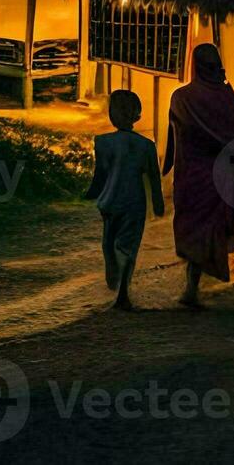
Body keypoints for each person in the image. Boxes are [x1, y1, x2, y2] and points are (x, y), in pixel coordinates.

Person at [164, 42, 234, 309]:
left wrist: (166, 166)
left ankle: (191, 288)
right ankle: (193, 287)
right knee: (211, 229)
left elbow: (174, 138)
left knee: (192, 227)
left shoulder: (181, 98)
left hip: (192, 175)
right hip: (221, 176)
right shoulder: (229, 99)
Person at [84, 89, 164, 311]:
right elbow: (154, 178)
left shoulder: (102, 142)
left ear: (111, 115)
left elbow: (100, 174)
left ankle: (114, 278)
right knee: (129, 247)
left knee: (108, 244)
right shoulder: (147, 145)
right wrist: (158, 205)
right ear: (137, 115)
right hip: (134, 202)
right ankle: (123, 293)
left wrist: (90, 194)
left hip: (109, 200)